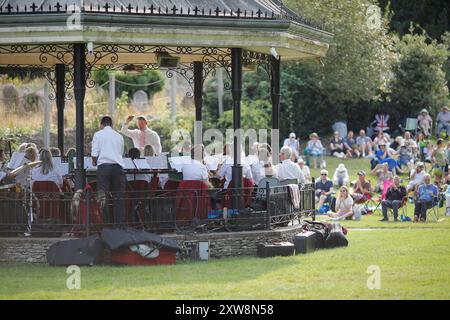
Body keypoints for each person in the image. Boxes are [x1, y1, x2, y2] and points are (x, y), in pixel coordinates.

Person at [92, 116, 126, 225]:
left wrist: (94, 162)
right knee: (118, 196)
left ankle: (105, 224)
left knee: (103, 196)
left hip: (104, 167)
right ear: (111, 124)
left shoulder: (98, 135)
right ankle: (119, 223)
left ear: (102, 124)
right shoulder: (119, 136)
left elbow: (94, 153)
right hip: (117, 167)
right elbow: (120, 153)